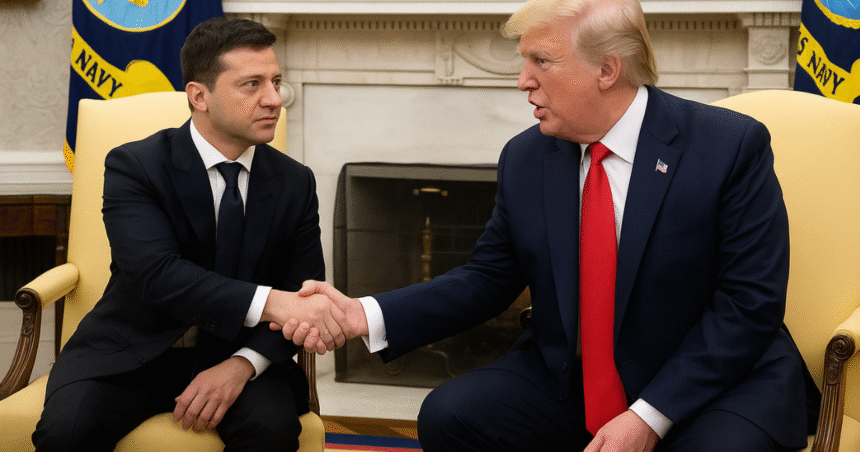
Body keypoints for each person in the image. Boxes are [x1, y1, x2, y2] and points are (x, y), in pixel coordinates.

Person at [286, 0, 821, 451]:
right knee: (451, 414)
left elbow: (748, 306)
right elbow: (486, 280)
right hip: (576, 380)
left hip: (712, 383)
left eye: (542, 60)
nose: (523, 82)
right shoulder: (528, 157)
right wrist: (362, 315)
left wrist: (648, 416)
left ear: (607, 70)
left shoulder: (728, 147)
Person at [32, 17, 346, 452]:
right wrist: (275, 301)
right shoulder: (136, 166)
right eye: (252, 84)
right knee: (66, 433)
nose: (274, 99)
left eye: (276, 81)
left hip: (239, 352)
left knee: (272, 432)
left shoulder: (295, 181)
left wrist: (242, 365)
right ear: (199, 96)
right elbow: (158, 275)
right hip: (128, 353)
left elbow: (303, 293)